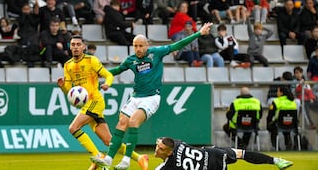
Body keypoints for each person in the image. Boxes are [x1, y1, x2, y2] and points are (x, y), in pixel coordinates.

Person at [91, 22, 213, 170]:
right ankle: (109, 159)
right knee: (122, 122)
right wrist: (98, 73)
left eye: (141, 46)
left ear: (147, 45)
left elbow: (178, 44)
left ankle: (126, 161)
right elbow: (116, 70)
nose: (138, 49)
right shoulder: (131, 60)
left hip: (151, 98)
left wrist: (199, 33)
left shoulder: (157, 52)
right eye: (135, 46)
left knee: (133, 122)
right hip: (136, 97)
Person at [57, 35, 148, 170]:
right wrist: (63, 87)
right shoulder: (68, 65)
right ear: (70, 47)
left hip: (95, 101)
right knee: (108, 141)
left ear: (83, 47)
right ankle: (140, 158)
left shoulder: (91, 60)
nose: (75, 47)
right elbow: (71, 92)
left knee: (73, 128)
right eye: (73, 45)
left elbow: (109, 75)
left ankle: (98, 156)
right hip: (85, 105)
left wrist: (107, 84)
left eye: (78, 44)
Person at [154, 137, 293, 170]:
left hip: (212, 165)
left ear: (170, 153)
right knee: (241, 154)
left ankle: (276, 162)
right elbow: (165, 139)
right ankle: (276, 161)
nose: (156, 149)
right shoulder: (176, 143)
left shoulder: (167, 167)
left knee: (241, 154)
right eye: (157, 146)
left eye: (160, 148)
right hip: (212, 153)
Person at [267, 85, 298, 150]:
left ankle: (276, 146)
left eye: (278, 91)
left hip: (279, 124)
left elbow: (270, 115)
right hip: (291, 124)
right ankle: (288, 143)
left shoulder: (276, 101)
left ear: (281, 93)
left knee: (272, 127)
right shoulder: (293, 102)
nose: (277, 93)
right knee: (286, 129)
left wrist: (268, 124)